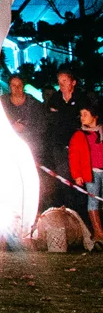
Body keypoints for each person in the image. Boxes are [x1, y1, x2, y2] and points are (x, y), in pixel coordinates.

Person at [49, 67, 85, 212]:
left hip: (78, 145)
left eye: (65, 81)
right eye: (59, 82)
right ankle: (70, 212)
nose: (61, 84)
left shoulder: (81, 98)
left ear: (73, 82)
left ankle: (84, 213)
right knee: (64, 179)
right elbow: (52, 117)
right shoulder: (55, 98)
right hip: (60, 145)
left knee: (80, 178)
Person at [67, 98, 103, 239]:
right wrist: (77, 175)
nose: (82, 117)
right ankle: (98, 232)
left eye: (86, 114)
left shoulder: (100, 132)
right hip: (91, 173)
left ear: (95, 116)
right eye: (81, 114)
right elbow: (74, 157)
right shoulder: (79, 135)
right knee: (93, 200)